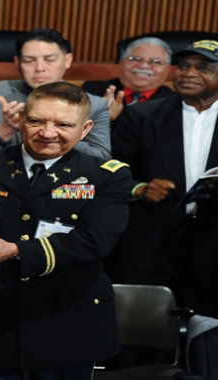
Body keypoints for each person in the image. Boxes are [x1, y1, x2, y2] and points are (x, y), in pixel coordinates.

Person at [0, 82, 131, 379]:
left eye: (64, 125)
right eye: (36, 121)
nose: (48, 133)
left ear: (85, 129)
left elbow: (94, 242)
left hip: (65, 323)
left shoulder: (106, 176)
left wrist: (16, 251)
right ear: (21, 119)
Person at [113, 40, 218, 317]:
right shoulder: (141, 116)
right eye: (183, 66)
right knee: (145, 339)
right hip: (152, 243)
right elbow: (113, 173)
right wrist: (140, 188)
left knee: (208, 343)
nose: (188, 73)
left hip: (213, 243)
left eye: (203, 67)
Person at [0, 28, 112, 160]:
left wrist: (59, 137)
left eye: (49, 60)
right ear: (18, 63)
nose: (39, 68)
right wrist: (6, 129)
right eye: (29, 61)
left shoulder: (94, 104)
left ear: (67, 60)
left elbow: (101, 157)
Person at [82, 37, 176, 122]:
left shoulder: (175, 103)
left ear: (168, 70)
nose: (143, 65)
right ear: (121, 63)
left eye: (156, 62)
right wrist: (102, 119)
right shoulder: (92, 92)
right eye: (135, 59)